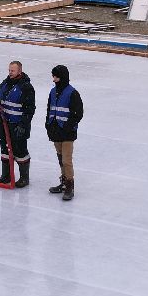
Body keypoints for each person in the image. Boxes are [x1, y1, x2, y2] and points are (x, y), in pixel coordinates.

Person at [0, 60, 34, 188]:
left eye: (13, 71)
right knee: (4, 149)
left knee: (20, 151)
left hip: (18, 125)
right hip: (4, 124)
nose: (10, 73)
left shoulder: (26, 88)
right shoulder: (4, 84)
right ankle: (6, 175)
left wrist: (23, 125)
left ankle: (24, 178)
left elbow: (30, 109)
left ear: (19, 71)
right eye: (9, 70)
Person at [43, 64, 84, 201]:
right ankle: (63, 182)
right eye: (53, 76)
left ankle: (69, 186)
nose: (53, 79)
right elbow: (49, 109)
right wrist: (48, 125)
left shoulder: (72, 93)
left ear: (63, 77)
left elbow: (78, 114)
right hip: (55, 131)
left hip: (67, 133)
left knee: (66, 160)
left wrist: (68, 126)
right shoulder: (52, 92)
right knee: (61, 159)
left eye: (56, 77)